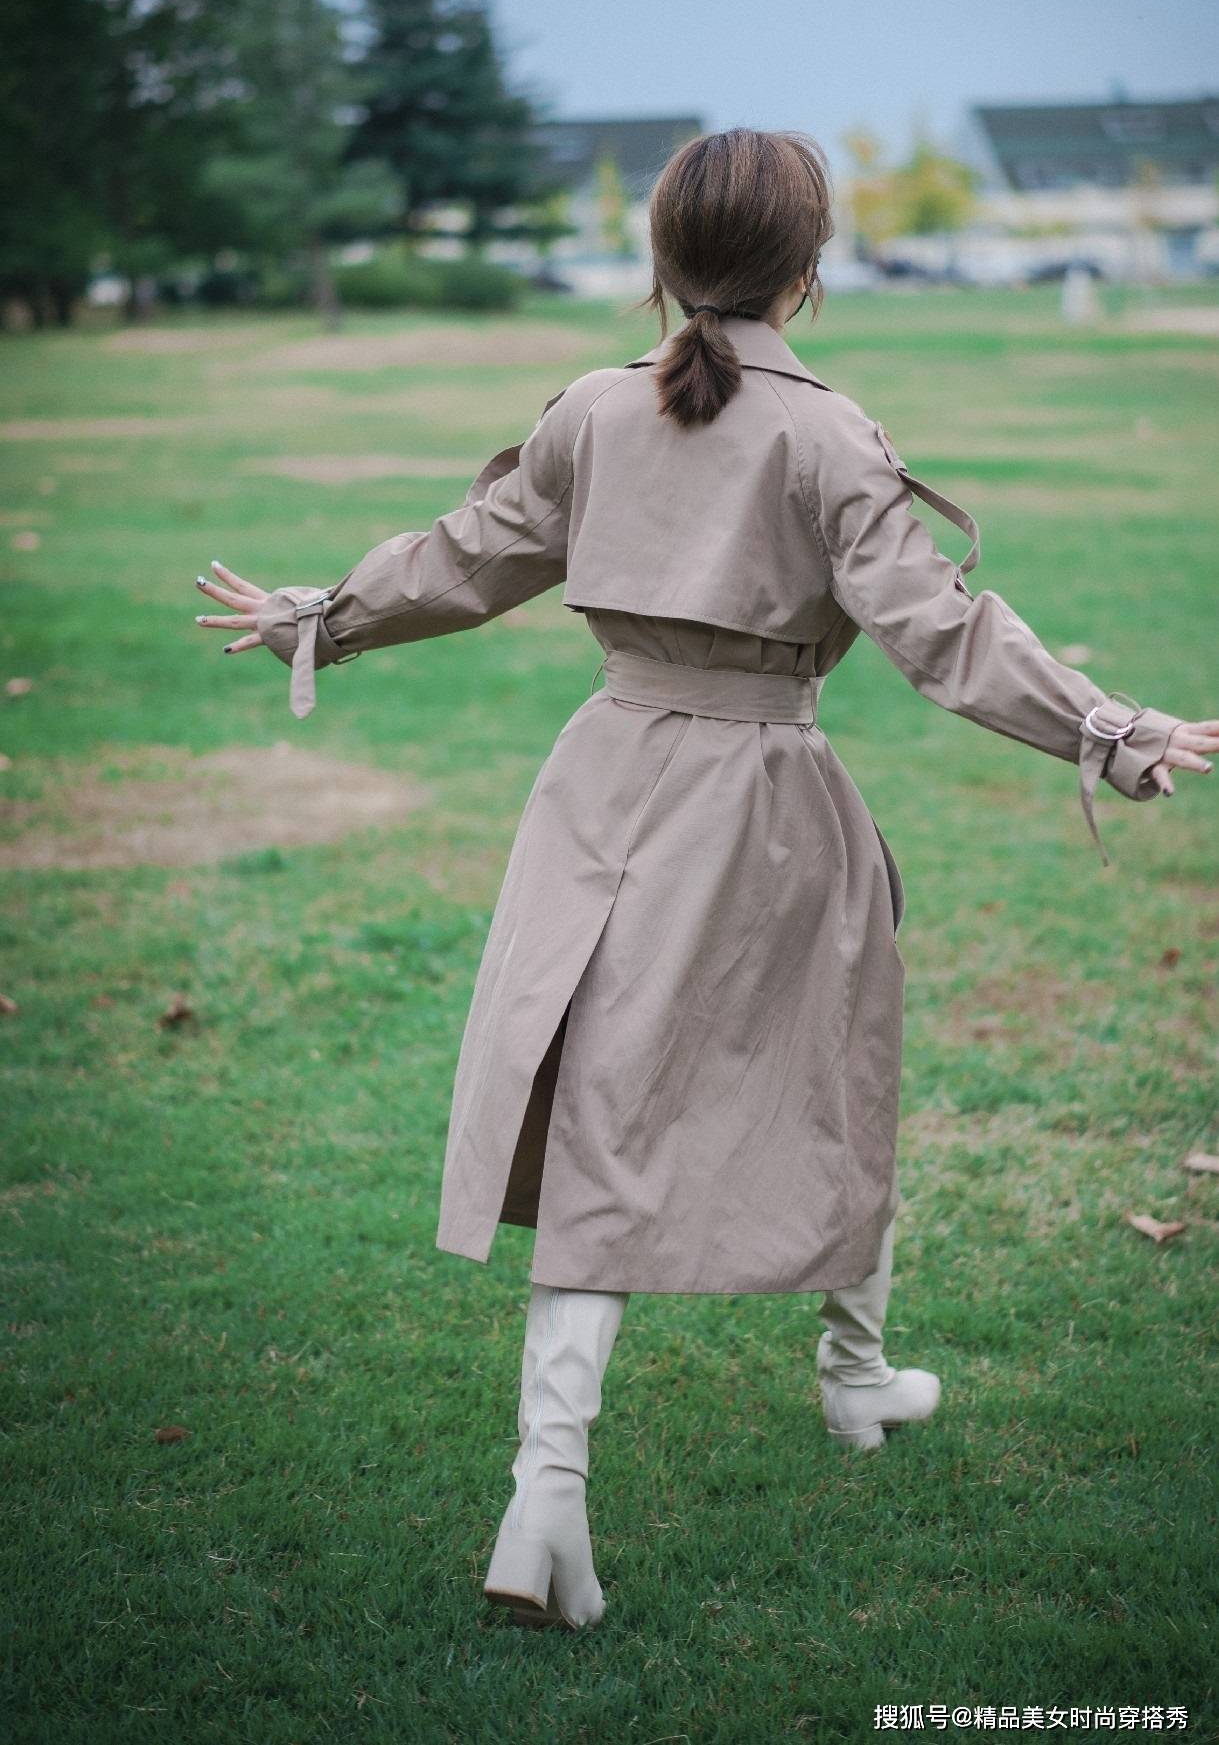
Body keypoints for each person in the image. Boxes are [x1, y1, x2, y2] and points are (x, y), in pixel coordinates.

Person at [193, 127, 1217, 1633]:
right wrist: (1110, 728)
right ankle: (766, 1406)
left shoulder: (597, 410)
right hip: (755, 799)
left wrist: (323, 615)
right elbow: (944, 632)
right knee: (831, 1070)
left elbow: (470, 556)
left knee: (614, 1098)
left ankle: (635, 1455)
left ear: (660, 264)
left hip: (603, 780)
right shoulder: (825, 434)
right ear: (808, 274)